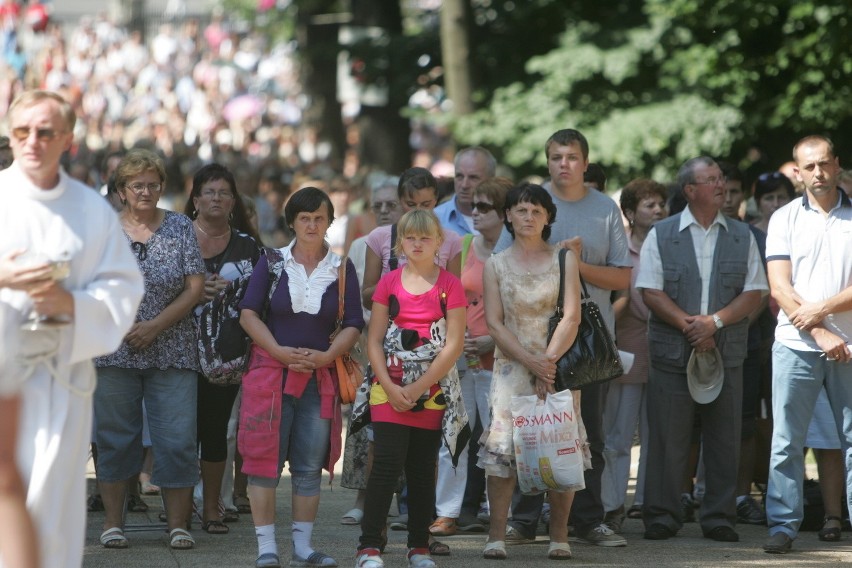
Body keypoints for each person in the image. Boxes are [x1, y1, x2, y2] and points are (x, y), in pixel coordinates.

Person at [0, 90, 143, 568]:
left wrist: (70, 303)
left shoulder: (91, 210)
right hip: (3, 372)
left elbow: (124, 292)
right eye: (22, 131)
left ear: (68, 139)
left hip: (61, 377)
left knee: (51, 506)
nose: (32, 142)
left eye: (45, 132)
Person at [495, 129, 631, 548]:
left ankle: (589, 521)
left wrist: (571, 263)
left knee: (585, 433)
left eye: (572, 157)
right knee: (526, 432)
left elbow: (624, 277)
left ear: (586, 163)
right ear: (548, 161)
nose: (564, 164)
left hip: (585, 342)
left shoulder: (605, 208)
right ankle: (524, 520)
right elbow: (504, 266)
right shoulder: (530, 202)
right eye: (556, 157)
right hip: (528, 344)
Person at [637, 156, 767, 543]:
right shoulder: (661, 234)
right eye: (710, 179)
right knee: (666, 436)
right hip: (672, 353)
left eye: (721, 177)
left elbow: (754, 292)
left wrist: (715, 323)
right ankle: (661, 514)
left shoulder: (743, 235)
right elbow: (650, 291)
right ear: (689, 190)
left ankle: (719, 516)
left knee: (725, 436)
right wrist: (690, 326)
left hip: (725, 352)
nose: (720, 185)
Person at [238, 186, 364, 568]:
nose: (312, 224)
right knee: (264, 462)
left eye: (319, 217)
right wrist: (277, 351)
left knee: (309, 465)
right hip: (269, 377)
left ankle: (304, 548)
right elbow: (248, 314)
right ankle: (266, 549)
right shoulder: (273, 262)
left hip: (318, 378)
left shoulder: (342, 268)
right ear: (292, 220)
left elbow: (354, 323)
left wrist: (327, 355)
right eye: (304, 217)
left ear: (328, 222)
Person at [94, 148, 206, 551]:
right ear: (121, 190)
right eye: (137, 185)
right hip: (113, 349)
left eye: (152, 184)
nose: (146, 191)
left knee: (176, 438)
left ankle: (178, 525)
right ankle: (112, 523)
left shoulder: (179, 226)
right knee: (114, 437)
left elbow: (195, 288)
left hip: (172, 348)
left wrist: (156, 325)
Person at [351, 209, 469, 568]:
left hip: (431, 389)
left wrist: (420, 386)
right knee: (385, 465)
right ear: (400, 242)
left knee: (421, 468)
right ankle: (368, 547)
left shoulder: (450, 284)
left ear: (439, 242)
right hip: (388, 385)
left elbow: (454, 344)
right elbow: (373, 342)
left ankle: (419, 546)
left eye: (425, 237)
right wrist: (389, 385)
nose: (417, 244)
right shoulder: (388, 283)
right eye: (410, 237)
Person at [479, 183, 586, 561]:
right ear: (508, 215)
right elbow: (494, 323)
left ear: (548, 218)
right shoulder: (495, 263)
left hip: (558, 366)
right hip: (512, 368)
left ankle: (560, 536)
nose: (528, 217)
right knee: (503, 455)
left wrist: (549, 363)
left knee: (560, 450)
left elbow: (572, 316)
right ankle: (496, 536)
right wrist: (532, 361)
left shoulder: (564, 259)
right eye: (521, 210)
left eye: (536, 211)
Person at [763, 135, 852, 554]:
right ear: (797, 172)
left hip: (850, 346)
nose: (818, 173)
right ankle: (782, 525)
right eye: (809, 167)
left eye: (825, 164)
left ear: (836, 164)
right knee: (786, 440)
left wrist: (820, 310)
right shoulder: (783, 218)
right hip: (795, 345)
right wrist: (819, 329)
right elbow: (779, 286)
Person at [183, 163, 262, 534]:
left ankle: (212, 507)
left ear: (234, 201)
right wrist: (195, 292)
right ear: (195, 199)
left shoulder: (249, 246)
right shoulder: (176, 237)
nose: (216, 198)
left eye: (224, 192)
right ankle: (180, 509)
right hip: (176, 352)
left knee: (215, 433)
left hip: (227, 357)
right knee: (179, 434)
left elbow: (264, 299)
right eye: (209, 192)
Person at [600, 178, 667, 531]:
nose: (657, 211)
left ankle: (646, 503)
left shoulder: (672, 244)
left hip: (666, 348)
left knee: (657, 433)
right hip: (626, 347)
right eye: (649, 205)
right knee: (619, 434)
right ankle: (612, 506)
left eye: (661, 204)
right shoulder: (619, 249)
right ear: (629, 212)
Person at [340, 175, 403, 526]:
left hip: (414, 346)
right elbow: (351, 299)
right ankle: (364, 500)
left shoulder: (420, 240)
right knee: (369, 425)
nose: (382, 211)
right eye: (376, 205)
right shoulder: (362, 245)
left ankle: (404, 502)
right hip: (371, 343)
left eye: (390, 205)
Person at [452, 177, 513, 533]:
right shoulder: (463, 247)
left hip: (504, 357)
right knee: (468, 433)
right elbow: (449, 299)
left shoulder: (516, 253)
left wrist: (495, 339)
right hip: (466, 356)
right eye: (473, 205)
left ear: (504, 213)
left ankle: (497, 511)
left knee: (497, 435)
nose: (474, 213)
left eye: (484, 207)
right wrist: (458, 337)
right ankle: (464, 509)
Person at [432, 147, 497, 236]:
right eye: (459, 176)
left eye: (473, 177)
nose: (464, 185)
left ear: (491, 180)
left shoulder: (506, 219)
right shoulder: (434, 220)